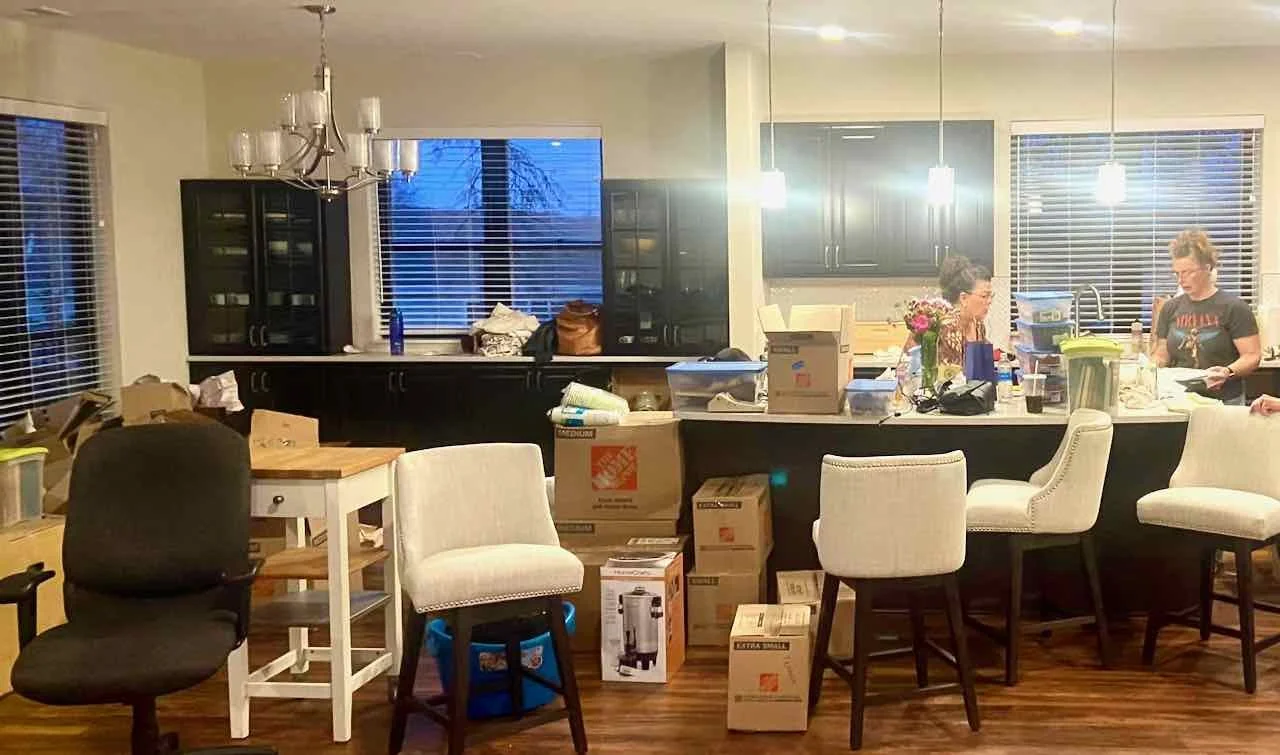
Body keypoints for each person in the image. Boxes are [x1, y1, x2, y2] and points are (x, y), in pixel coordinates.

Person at [1154, 229, 1261, 405]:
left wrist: (1227, 371)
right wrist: (1154, 366)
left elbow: (1252, 356)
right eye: (1177, 273)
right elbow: (1162, 352)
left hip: (1225, 401)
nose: (1181, 279)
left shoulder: (1234, 308)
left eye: (1188, 272)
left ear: (1208, 268)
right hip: (1180, 398)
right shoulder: (1170, 308)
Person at [936, 255, 994, 366]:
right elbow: (951, 372)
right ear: (963, 298)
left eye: (991, 296)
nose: (989, 301)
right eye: (984, 296)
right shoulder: (948, 328)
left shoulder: (978, 326)